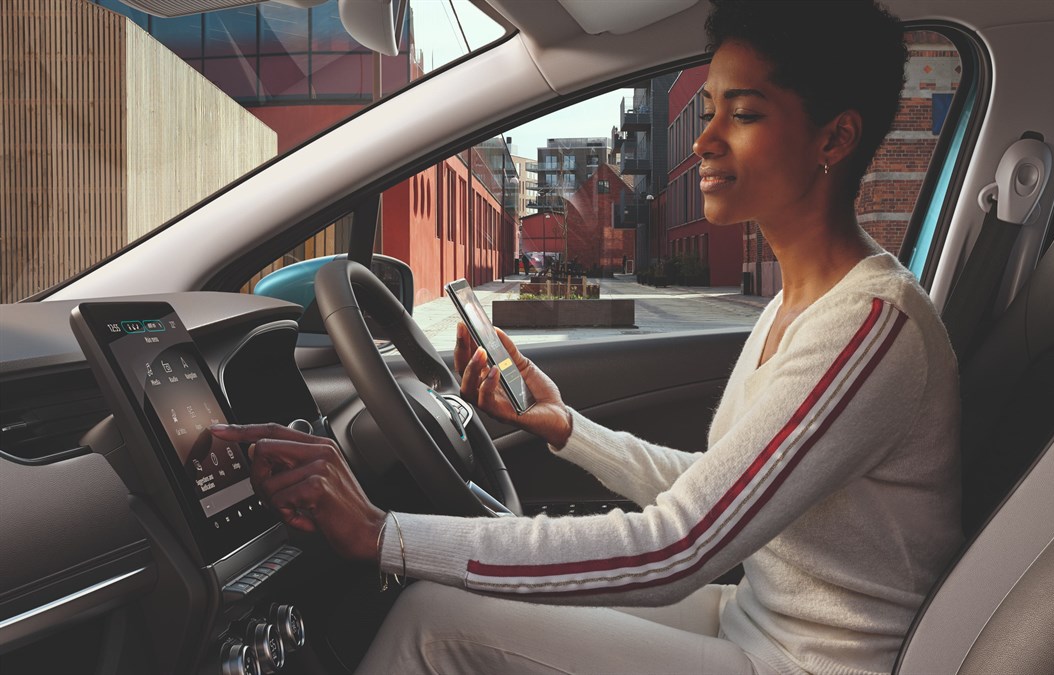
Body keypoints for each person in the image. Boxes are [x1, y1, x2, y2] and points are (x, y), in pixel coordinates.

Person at [210, 2, 962, 673]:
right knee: (447, 590)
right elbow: (712, 487)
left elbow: (679, 546)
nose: (704, 143)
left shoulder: (870, 324)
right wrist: (566, 428)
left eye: (745, 113)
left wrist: (383, 534)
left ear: (835, 137)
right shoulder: (802, 302)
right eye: (706, 112)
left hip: (805, 660)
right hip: (746, 617)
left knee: (430, 620)